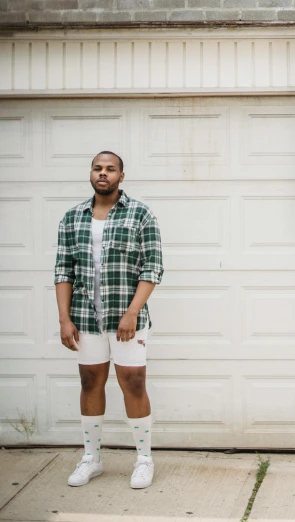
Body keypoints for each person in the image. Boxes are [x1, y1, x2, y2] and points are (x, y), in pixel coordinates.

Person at [55, 151, 163, 489]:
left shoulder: (140, 213)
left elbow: (153, 267)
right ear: (91, 173)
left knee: (133, 383)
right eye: (98, 168)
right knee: (90, 383)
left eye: (110, 169)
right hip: (85, 319)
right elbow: (63, 270)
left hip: (127, 319)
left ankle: (144, 459)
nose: (103, 174)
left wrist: (132, 312)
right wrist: (64, 319)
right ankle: (92, 458)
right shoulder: (72, 218)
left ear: (121, 176)